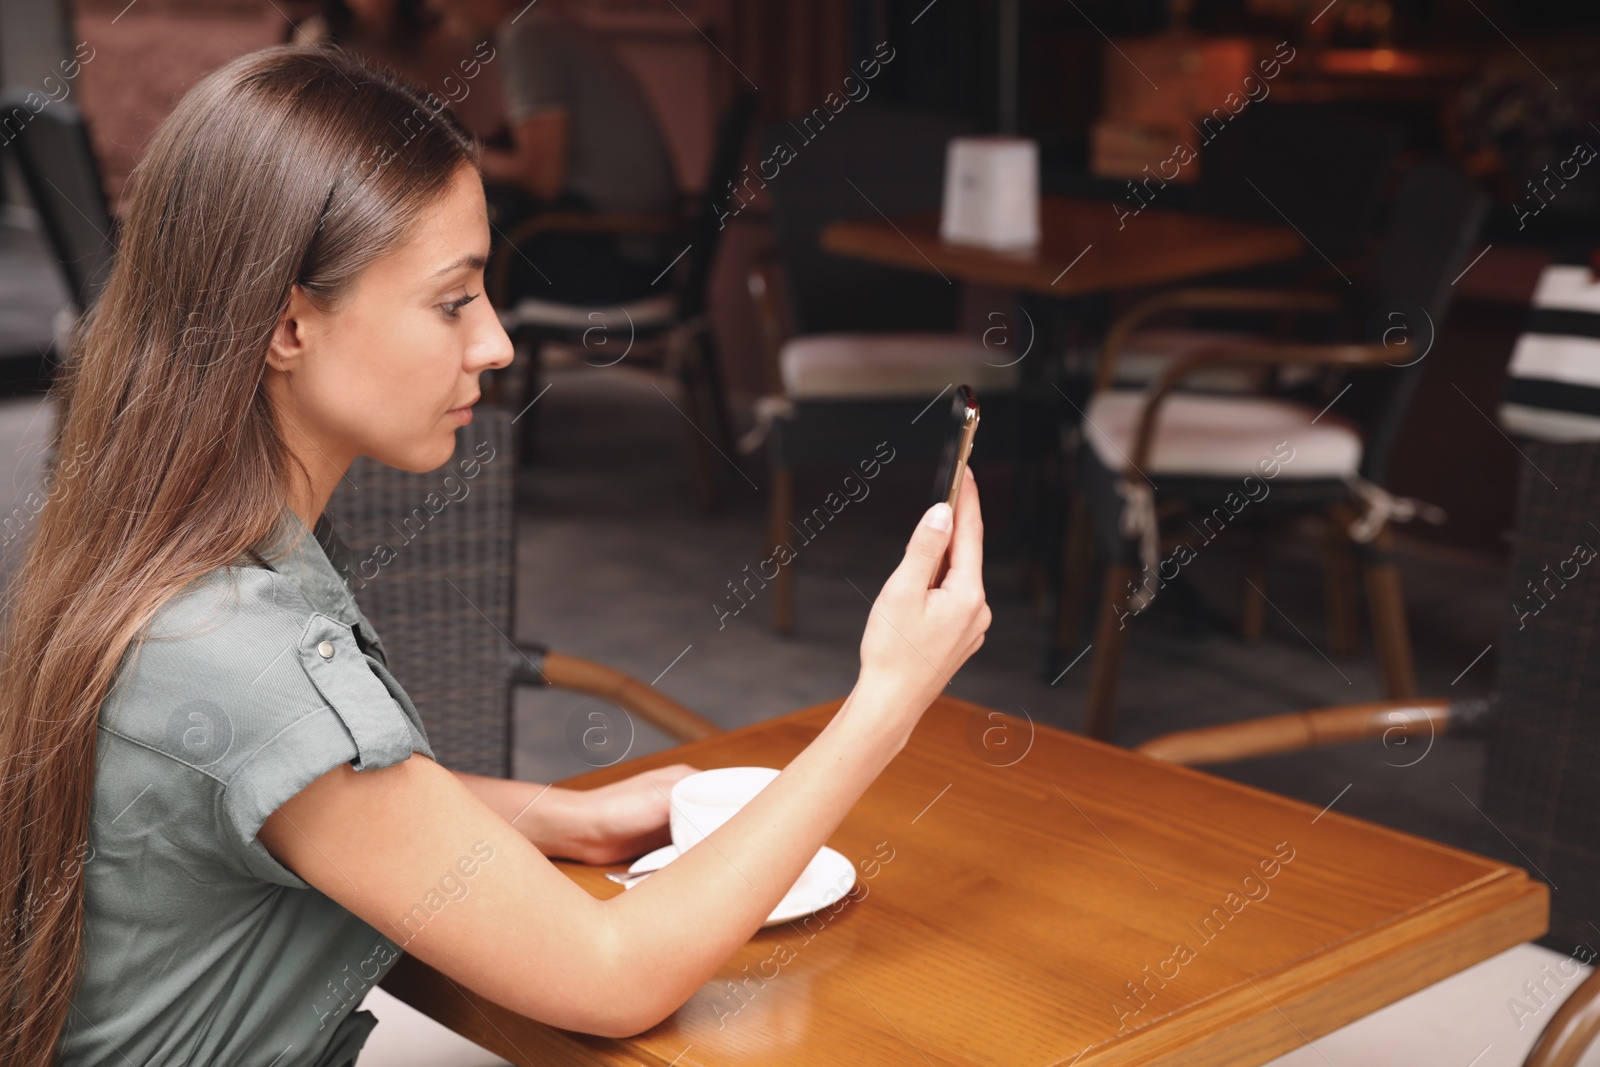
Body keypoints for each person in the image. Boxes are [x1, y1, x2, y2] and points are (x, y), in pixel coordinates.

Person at [0, 45, 989, 1067]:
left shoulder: (170, 546)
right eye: (451, 300)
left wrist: (568, 815)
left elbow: (307, 798)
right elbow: (612, 975)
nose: (497, 343)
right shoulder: (247, 656)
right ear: (288, 323)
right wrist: (887, 699)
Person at [436, 0, 684, 304]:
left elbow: (543, 180)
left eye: (446, 11)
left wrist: (457, 153)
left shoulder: (527, 35)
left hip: (618, 257)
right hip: (647, 248)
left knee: (463, 261)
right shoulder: (549, 23)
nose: (449, 28)